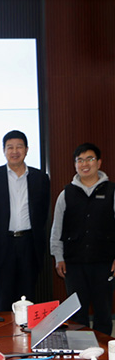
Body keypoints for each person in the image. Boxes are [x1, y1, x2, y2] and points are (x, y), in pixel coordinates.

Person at [0, 130, 50, 311]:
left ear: (26, 150)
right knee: (4, 296)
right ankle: (6, 330)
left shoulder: (40, 178)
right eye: (10, 147)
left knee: (28, 296)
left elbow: (43, 212)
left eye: (19, 147)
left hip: (29, 243)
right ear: (3, 150)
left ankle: (26, 330)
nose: (14, 151)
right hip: (2, 244)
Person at [50, 143, 115, 336]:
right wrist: (58, 257)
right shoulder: (66, 194)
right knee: (77, 314)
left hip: (104, 263)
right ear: (75, 164)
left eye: (89, 159)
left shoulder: (112, 192)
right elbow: (56, 229)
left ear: (99, 162)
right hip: (74, 264)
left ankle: (103, 350)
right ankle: (79, 350)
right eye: (80, 160)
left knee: (103, 312)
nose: (84, 164)